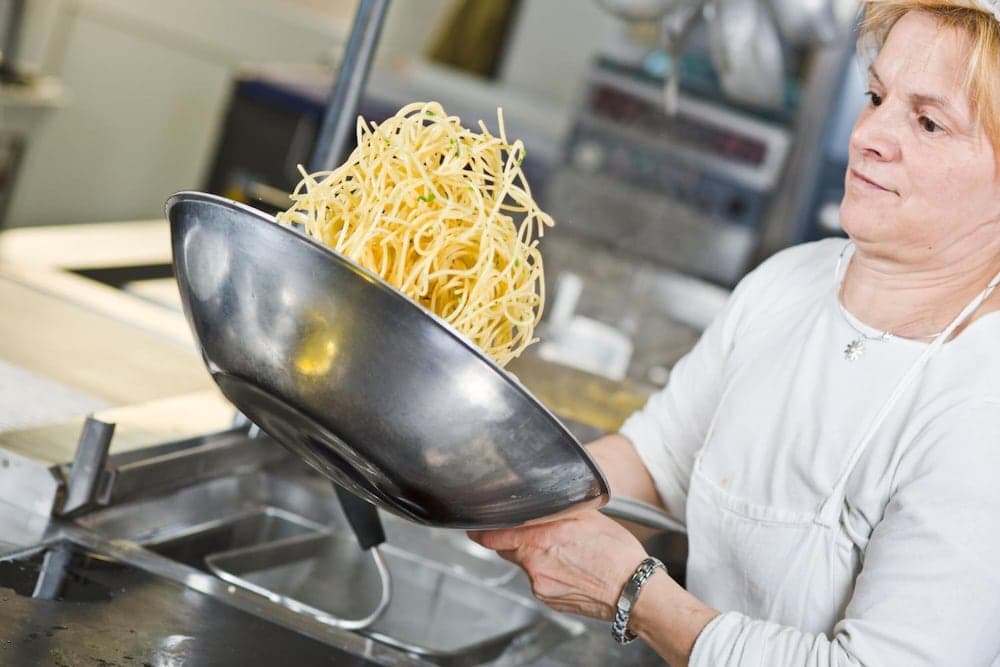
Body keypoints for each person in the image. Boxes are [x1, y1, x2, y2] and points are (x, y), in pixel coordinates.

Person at [470, 1, 1000, 664]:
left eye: (928, 122)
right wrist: (492, 492)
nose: (870, 134)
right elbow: (657, 461)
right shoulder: (790, 282)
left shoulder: (981, 408)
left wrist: (637, 594)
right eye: (876, 96)